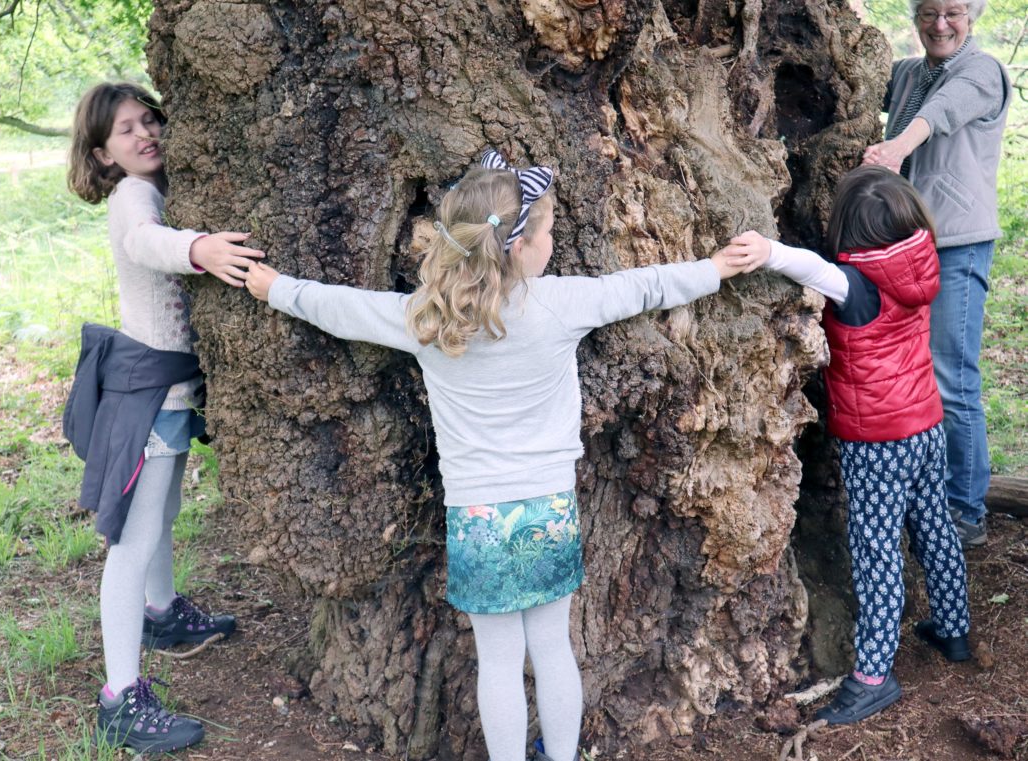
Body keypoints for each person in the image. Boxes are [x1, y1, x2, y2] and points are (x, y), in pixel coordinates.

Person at [243, 148, 744, 761]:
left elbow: (342, 309)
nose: (553, 238)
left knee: (499, 661)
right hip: (548, 504)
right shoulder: (559, 303)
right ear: (520, 246)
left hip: (478, 513)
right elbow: (645, 287)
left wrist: (277, 288)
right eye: (550, 229)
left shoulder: (426, 317)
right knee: (554, 647)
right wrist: (715, 267)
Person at [722, 165, 971, 725]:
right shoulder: (921, 260)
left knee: (876, 554)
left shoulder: (856, 282)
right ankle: (954, 630)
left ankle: (874, 676)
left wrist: (768, 249)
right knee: (934, 525)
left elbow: (813, 268)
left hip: (878, 442)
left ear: (849, 230)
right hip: (927, 424)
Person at [66, 82, 263, 753]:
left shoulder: (154, 186)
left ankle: (162, 611)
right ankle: (120, 696)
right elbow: (147, 243)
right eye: (125, 129)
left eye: (150, 119)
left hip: (169, 391)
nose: (145, 133)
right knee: (135, 534)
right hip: (147, 392)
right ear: (102, 153)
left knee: (163, 511)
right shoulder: (132, 195)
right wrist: (200, 249)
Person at [862, 0, 1012, 548]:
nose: (940, 24)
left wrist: (896, 147)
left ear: (971, 15)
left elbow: (944, 109)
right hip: (903, 243)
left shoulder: (982, 70)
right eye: (928, 12)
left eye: (953, 12)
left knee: (952, 375)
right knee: (907, 371)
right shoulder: (906, 72)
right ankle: (921, 489)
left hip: (958, 244)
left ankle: (966, 508)